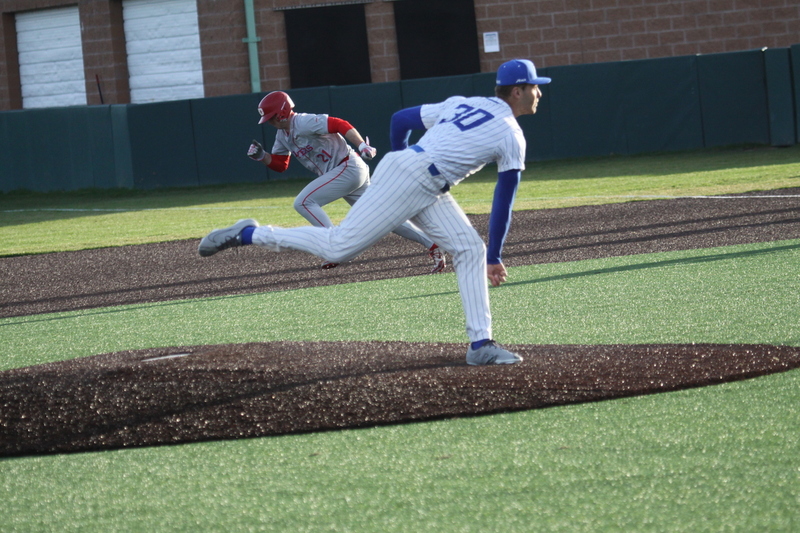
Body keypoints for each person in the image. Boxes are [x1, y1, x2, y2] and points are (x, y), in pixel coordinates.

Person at [199, 59, 550, 365]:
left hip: (416, 175)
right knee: (338, 246)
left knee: (470, 250)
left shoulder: (465, 102)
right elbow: (503, 198)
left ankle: (480, 344)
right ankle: (249, 233)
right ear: (517, 91)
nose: (540, 93)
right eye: (535, 87)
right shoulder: (511, 135)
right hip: (416, 177)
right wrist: (498, 255)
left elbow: (401, 120)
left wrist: (402, 157)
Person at [245, 91, 445, 272]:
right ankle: (432, 243)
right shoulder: (282, 135)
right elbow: (281, 164)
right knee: (383, 216)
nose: (269, 122)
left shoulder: (303, 122)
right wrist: (263, 156)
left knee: (304, 202)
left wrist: (361, 145)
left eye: (271, 118)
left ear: (281, 113)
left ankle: (335, 247)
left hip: (347, 167)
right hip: (343, 173)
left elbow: (340, 124)